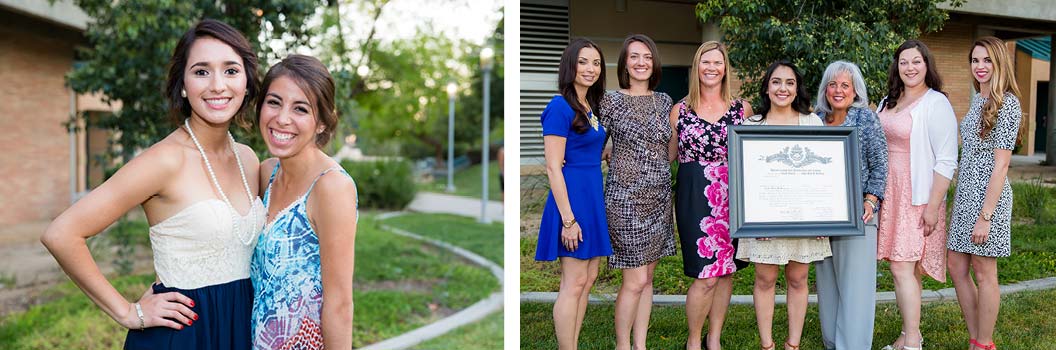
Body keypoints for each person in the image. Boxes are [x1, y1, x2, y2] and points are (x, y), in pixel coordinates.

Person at [41, 19, 263, 349]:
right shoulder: (164, 160)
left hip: (239, 327)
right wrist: (129, 312)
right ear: (184, 85)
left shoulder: (248, 159)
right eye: (201, 71)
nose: (218, 84)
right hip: (185, 334)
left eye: (231, 70)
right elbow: (61, 234)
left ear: (246, 83)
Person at [249, 54, 358, 349]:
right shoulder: (266, 172)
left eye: (300, 108)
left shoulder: (331, 187)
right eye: (274, 102)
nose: (282, 118)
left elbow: (339, 306)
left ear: (321, 122)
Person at [737, 60, 832, 350]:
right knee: (765, 278)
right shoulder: (751, 125)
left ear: (797, 88)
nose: (783, 88)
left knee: (798, 277)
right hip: (763, 218)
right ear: (767, 87)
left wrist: (822, 218)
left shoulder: (812, 122)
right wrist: (753, 219)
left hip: (804, 216)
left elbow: (823, 175)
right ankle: (767, 345)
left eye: (789, 82)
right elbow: (744, 176)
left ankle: (793, 344)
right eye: (777, 82)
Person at [876, 40, 958, 350]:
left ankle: (912, 343)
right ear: (897, 66)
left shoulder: (936, 103)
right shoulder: (887, 100)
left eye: (916, 62)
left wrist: (933, 206)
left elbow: (947, 159)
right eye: (904, 62)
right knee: (904, 267)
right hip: (889, 191)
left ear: (927, 65)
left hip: (918, 195)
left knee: (901, 266)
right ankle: (910, 333)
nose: (910, 67)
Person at [671, 40, 753, 350]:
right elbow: (665, 154)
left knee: (725, 271)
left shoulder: (741, 109)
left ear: (725, 68)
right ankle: (693, 341)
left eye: (717, 63)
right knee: (705, 275)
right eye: (706, 62)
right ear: (696, 67)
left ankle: (714, 339)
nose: (711, 68)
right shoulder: (680, 110)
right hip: (694, 196)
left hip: (732, 197)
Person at [534, 37, 612, 350]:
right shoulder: (559, 107)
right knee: (573, 282)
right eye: (583, 61)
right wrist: (568, 220)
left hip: (591, 198)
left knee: (588, 278)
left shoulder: (589, 107)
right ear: (570, 65)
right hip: (572, 203)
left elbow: (592, 149)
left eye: (596, 63)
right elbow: (553, 167)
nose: (591, 69)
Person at [599, 34, 676, 350]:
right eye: (634, 56)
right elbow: (594, 143)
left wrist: (650, 167)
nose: (641, 62)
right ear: (625, 63)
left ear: (654, 62)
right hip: (625, 200)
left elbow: (670, 149)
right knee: (635, 281)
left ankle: (640, 345)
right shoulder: (610, 101)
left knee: (647, 281)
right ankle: (622, 345)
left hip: (659, 199)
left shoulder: (664, 101)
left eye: (647, 56)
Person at [947, 36, 1022, 350]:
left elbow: (1001, 166)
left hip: (989, 197)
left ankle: (983, 343)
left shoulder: (1008, 103)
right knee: (956, 265)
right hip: (965, 193)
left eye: (987, 60)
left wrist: (985, 216)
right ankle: (976, 335)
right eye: (975, 60)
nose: (980, 66)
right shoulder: (978, 98)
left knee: (983, 268)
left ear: (999, 63)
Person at [813, 60, 888, 350]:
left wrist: (871, 200)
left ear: (855, 90)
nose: (838, 90)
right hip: (821, 217)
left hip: (858, 215)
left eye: (845, 85)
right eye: (833, 84)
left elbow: (880, 163)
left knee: (856, 290)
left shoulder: (866, 119)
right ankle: (832, 344)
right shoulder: (815, 119)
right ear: (825, 88)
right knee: (828, 289)